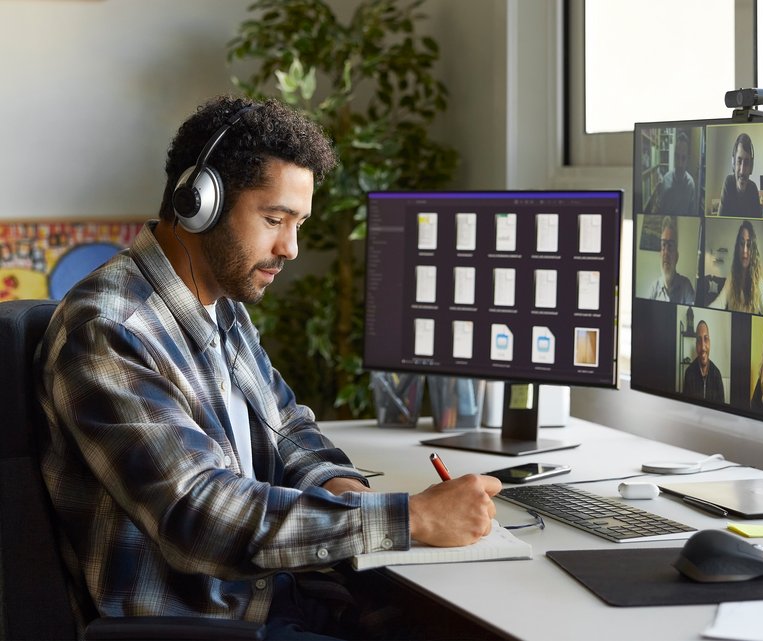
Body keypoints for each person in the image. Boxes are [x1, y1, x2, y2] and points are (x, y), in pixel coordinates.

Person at [36, 95, 501, 639]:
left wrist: (347, 490)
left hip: (269, 595)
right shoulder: (111, 330)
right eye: (274, 219)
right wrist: (408, 518)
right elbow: (196, 514)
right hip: (202, 623)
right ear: (198, 204)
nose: (292, 247)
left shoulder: (220, 305)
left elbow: (287, 428)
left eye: (298, 222)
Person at [708, 220, 763, 315]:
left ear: (753, 249)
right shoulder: (732, 276)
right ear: (737, 247)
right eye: (742, 244)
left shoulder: (757, 281)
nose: (744, 250)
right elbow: (720, 303)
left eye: (749, 245)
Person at [648, 215, 695, 304]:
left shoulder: (686, 286)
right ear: (660, 255)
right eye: (663, 245)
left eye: (670, 246)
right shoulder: (653, 288)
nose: (666, 253)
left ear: (676, 257)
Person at [652, 131, 698, 215]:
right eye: (677, 156)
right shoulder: (665, 180)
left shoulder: (691, 185)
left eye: (683, 158)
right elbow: (657, 211)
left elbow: (692, 214)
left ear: (688, 159)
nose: (679, 163)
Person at [717, 133, 762, 218]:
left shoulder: (753, 189)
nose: (742, 171)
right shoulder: (728, 183)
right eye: (739, 161)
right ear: (733, 163)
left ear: (751, 166)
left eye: (746, 162)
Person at [682, 320, 725, 403]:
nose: (703, 347)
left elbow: (721, 410)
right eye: (699, 340)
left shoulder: (717, 375)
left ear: (710, 342)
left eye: (706, 339)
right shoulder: (689, 373)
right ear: (696, 344)